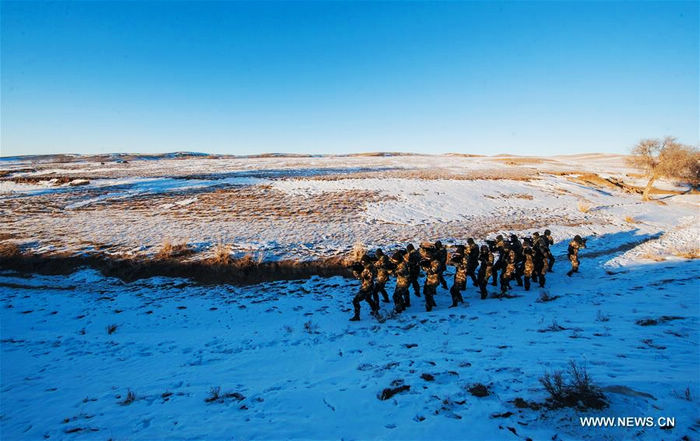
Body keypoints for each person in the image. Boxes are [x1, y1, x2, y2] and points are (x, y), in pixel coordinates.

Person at [350, 255, 379, 321]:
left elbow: (360, 277)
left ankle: (357, 316)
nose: (362, 263)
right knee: (368, 299)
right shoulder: (372, 266)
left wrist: (355, 272)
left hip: (366, 288)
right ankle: (376, 312)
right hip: (371, 286)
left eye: (363, 262)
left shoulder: (367, 269)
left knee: (355, 301)